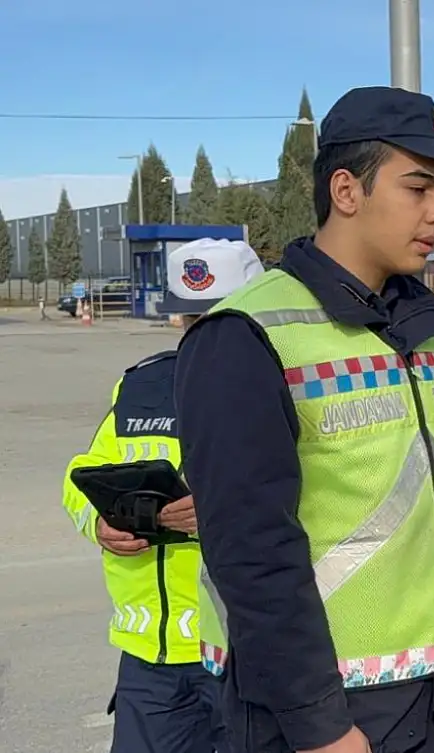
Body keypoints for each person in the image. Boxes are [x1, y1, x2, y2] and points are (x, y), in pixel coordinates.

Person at [173, 86, 434, 753]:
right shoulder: (246, 334)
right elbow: (250, 549)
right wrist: (319, 722)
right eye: (418, 188)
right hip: (314, 711)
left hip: (425, 689)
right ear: (345, 190)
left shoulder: (425, 331)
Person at [62, 238, 265, 753]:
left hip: (245, 651)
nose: (202, 334)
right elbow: (83, 473)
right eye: (191, 318)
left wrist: (225, 511)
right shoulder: (140, 386)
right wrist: (99, 521)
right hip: (150, 658)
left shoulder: (289, 386)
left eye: (221, 318)